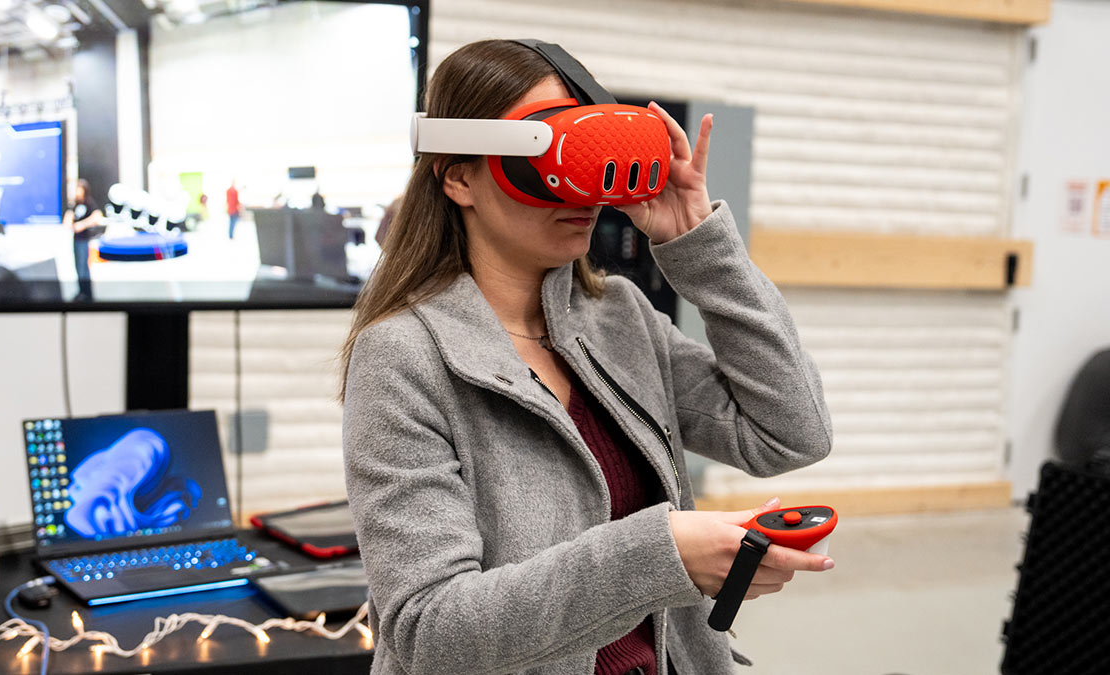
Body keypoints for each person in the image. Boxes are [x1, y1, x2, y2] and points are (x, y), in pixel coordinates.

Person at [339, 40, 833, 675]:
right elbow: (429, 632)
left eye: (594, 156)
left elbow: (791, 434)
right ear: (458, 176)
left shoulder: (618, 318)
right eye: (550, 157)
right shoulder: (404, 357)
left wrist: (699, 246)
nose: (580, 189)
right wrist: (662, 555)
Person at [64, 179, 103, 300]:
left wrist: (82, 225)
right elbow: (68, 220)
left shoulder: (88, 203)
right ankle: (81, 291)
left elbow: (97, 216)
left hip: (84, 240)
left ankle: (87, 293)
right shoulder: (75, 204)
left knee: (83, 268)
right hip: (76, 239)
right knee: (78, 267)